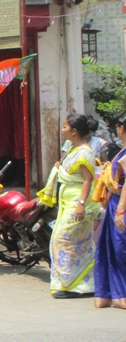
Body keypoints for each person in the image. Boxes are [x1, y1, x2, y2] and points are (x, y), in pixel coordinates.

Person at [47, 114, 98, 299]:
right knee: (73, 243)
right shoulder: (72, 149)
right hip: (67, 203)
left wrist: (81, 205)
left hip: (79, 204)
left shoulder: (84, 152)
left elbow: (87, 180)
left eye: (65, 127)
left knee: (63, 241)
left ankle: (72, 285)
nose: (62, 130)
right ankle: (82, 285)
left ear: (74, 131)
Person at [94, 114, 126, 309]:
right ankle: (108, 294)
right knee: (109, 249)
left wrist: (121, 210)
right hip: (113, 203)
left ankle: (120, 295)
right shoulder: (121, 150)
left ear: (121, 128)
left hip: (121, 205)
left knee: (120, 248)